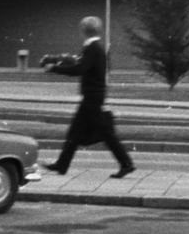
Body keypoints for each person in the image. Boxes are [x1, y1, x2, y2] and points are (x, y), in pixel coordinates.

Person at [41, 16, 135, 178]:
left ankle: (126, 164)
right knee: (75, 132)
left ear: (82, 31)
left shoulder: (92, 48)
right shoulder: (96, 48)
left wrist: (55, 68)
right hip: (93, 97)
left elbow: (80, 69)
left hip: (92, 98)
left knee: (104, 133)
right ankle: (61, 165)